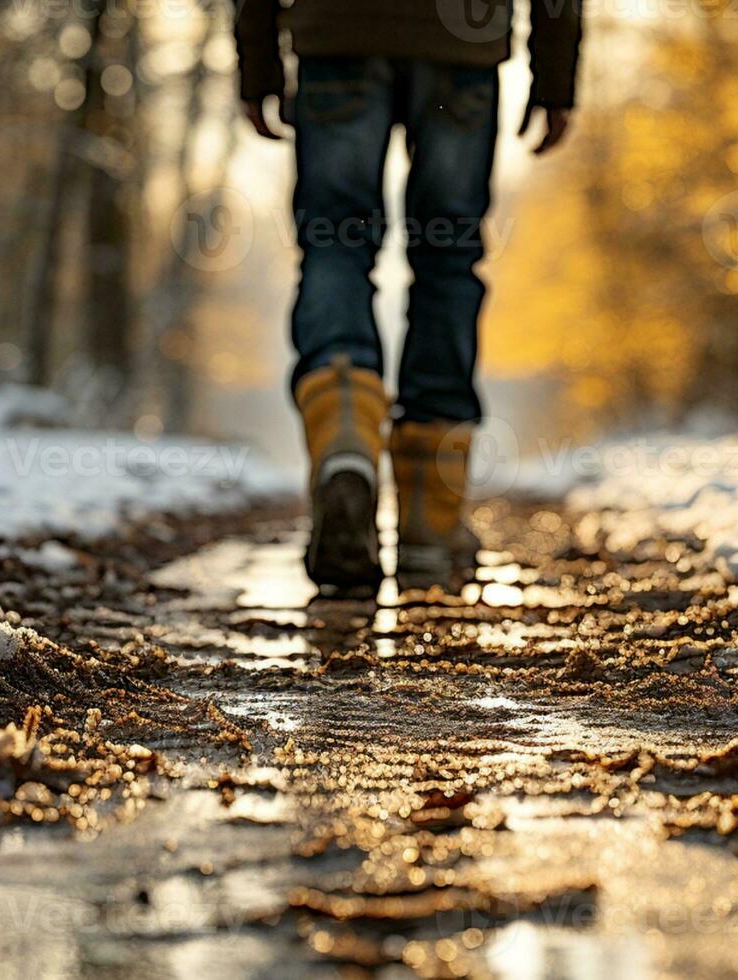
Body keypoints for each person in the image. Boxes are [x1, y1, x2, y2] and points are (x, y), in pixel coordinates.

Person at [234, 0, 583, 593]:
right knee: (447, 257)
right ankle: (431, 515)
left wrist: (258, 56)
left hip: (336, 35)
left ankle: (345, 435)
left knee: (336, 244)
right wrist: (554, 70)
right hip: (460, 40)